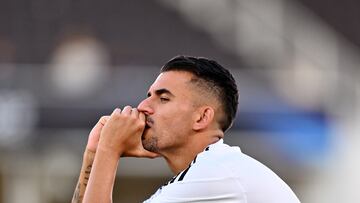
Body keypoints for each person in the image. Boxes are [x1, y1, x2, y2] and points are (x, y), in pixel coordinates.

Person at [72, 56, 301, 203]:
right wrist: (94, 152)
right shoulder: (205, 172)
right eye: (148, 96)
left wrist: (108, 150)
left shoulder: (216, 173)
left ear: (201, 117)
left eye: (163, 98)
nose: (143, 107)